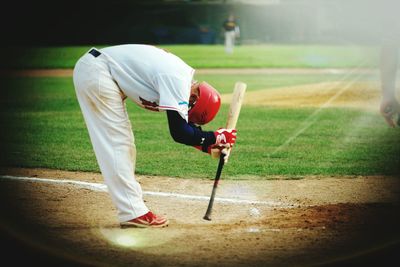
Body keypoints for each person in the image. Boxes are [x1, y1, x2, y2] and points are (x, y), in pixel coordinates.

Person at [72, 45, 237, 228]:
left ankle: (131, 210)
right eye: (190, 111)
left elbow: (186, 128)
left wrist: (208, 145)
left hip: (100, 72)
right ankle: (132, 213)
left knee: (120, 142)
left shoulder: (182, 82)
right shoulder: (177, 80)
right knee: (118, 142)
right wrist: (216, 137)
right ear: (194, 100)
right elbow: (180, 132)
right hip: (99, 73)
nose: (188, 113)